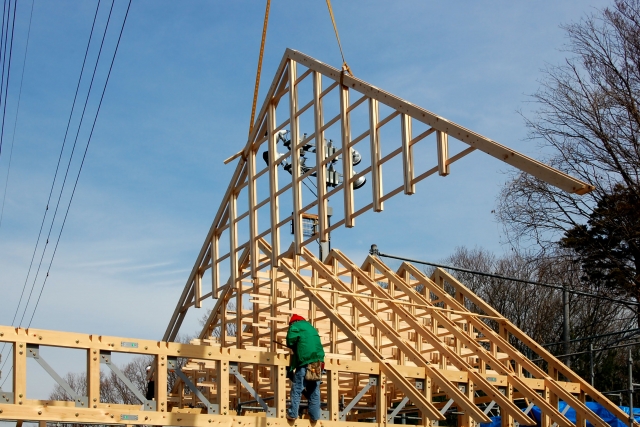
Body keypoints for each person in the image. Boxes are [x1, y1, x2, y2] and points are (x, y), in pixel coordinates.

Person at [286, 314, 325, 422]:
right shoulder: (311, 328)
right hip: (317, 363)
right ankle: (315, 416)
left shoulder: (295, 326)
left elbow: (290, 341)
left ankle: (293, 413)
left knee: (297, 388)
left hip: (305, 362)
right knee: (314, 389)